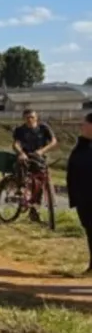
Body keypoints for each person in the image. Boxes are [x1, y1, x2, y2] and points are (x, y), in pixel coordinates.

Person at [12, 109, 58, 221]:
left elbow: (53, 141)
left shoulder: (43, 128)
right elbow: (16, 144)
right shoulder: (19, 130)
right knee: (21, 163)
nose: (30, 119)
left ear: (36, 117)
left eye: (32, 117)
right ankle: (21, 188)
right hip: (26, 156)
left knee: (40, 182)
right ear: (24, 119)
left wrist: (42, 151)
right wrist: (21, 153)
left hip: (39, 157)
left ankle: (34, 211)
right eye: (27, 117)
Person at [66, 112, 92, 275]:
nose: (81, 126)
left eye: (85, 123)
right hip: (84, 198)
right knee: (90, 231)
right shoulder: (83, 145)